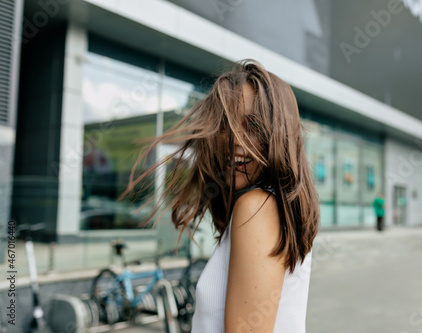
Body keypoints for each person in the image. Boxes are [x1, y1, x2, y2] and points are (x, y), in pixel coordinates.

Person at [122, 60, 319, 332]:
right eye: (225, 125)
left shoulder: (257, 207)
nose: (234, 139)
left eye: (252, 125)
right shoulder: (266, 206)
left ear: (279, 135)